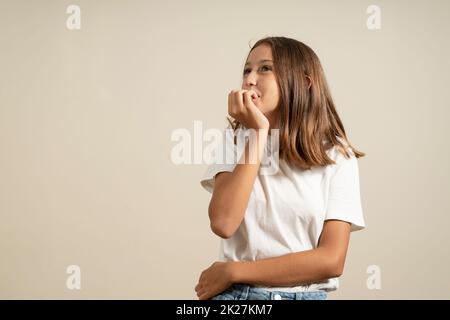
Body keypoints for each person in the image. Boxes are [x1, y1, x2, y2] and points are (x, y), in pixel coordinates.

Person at [195, 36, 366, 300]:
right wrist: (259, 132)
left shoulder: (337, 155)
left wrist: (234, 271)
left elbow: (331, 260)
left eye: (265, 68)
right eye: (246, 70)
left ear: (305, 82)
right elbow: (223, 223)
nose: (250, 79)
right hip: (238, 298)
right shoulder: (235, 140)